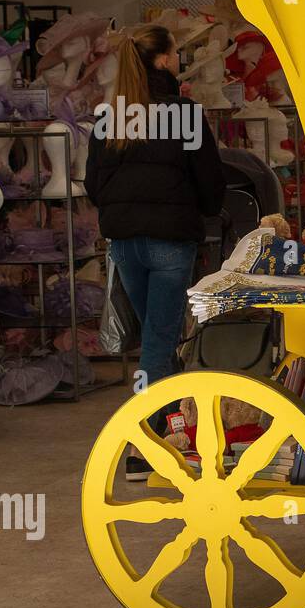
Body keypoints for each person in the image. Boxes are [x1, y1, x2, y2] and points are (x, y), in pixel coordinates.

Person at [85, 23, 225, 480]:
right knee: (160, 342)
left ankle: (171, 432)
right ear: (164, 60)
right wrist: (205, 212)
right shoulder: (183, 114)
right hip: (169, 240)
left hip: (124, 243)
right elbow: (210, 181)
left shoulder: (110, 117)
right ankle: (141, 449)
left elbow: (94, 185)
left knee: (155, 339)